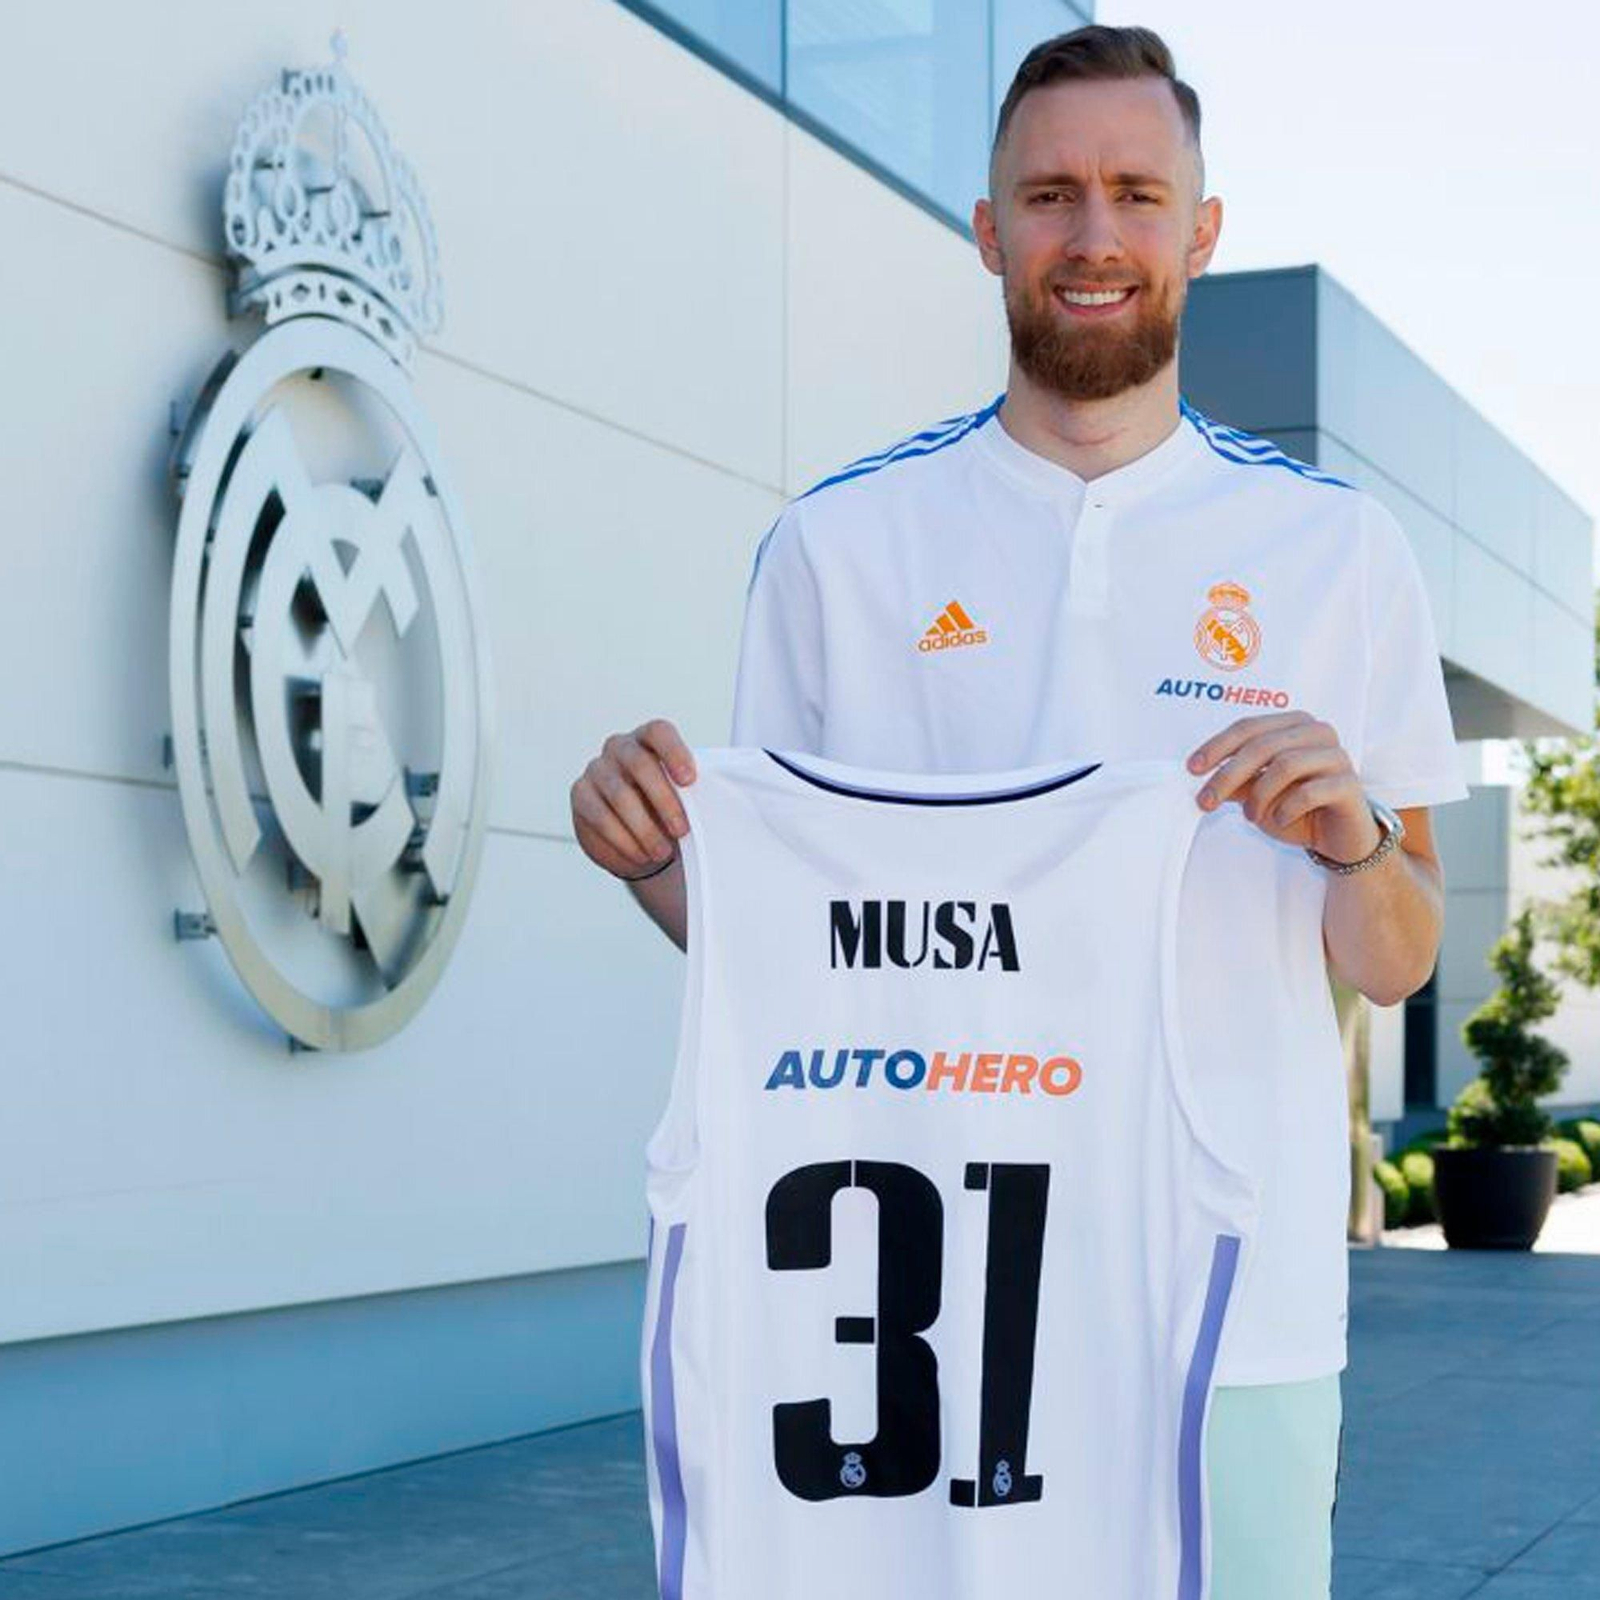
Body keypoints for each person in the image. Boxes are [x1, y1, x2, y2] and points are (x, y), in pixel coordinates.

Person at [570, 23, 1466, 1598]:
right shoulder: (842, 550)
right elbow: (784, 939)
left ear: (1202, 229)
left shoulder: (1340, 552)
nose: (1095, 235)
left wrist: (1359, 838)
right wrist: (653, 858)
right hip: (913, 1313)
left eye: (1136, 192)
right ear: (989, 232)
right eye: (1051, 195)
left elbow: (1396, 959)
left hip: (1229, 1311)